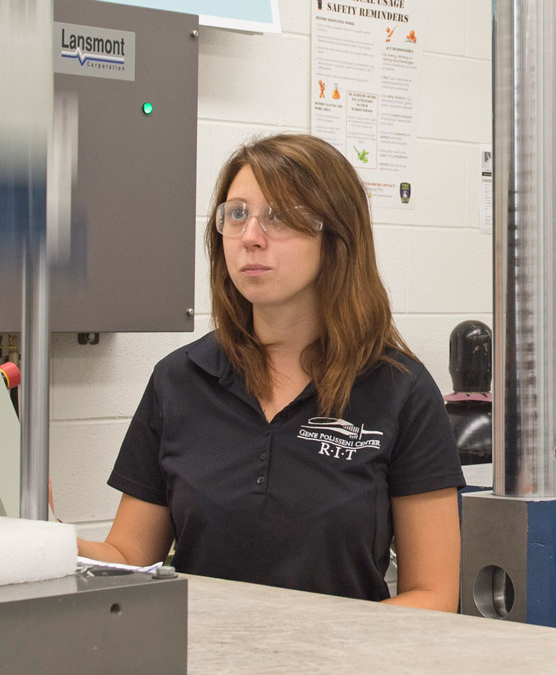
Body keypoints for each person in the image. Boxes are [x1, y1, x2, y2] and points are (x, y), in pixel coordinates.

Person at [77, 134, 465, 611]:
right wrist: (41, 540)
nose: (250, 236)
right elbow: (128, 557)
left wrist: (316, 654)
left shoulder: (398, 389)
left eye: (278, 216)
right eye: (236, 214)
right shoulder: (179, 380)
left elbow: (435, 594)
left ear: (336, 236)